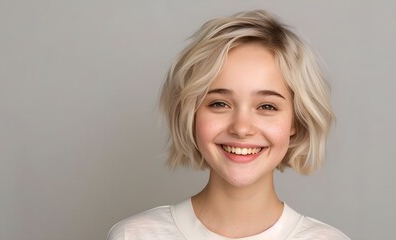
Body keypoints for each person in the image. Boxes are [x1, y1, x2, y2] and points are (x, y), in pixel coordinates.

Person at [108, 9, 350, 239]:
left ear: (295, 121)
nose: (241, 128)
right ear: (192, 113)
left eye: (267, 106)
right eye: (220, 104)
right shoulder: (134, 236)